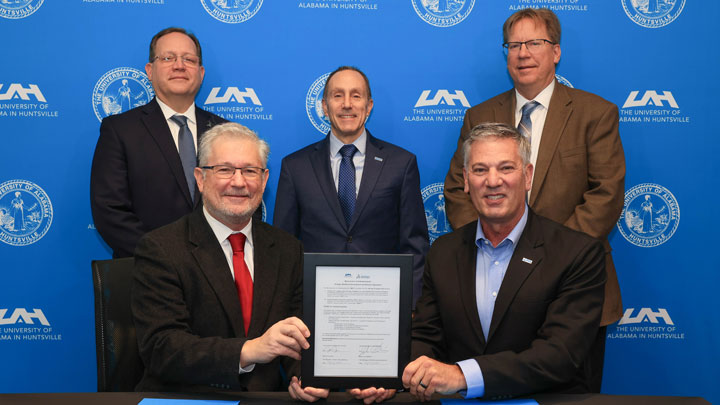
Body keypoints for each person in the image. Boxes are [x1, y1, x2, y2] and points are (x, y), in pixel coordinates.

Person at [353, 123, 604, 403]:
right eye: (480, 169)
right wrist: (396, 376)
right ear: (466, 179)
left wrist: (462, 376)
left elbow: (559, 355)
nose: (493, 181)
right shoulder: (444, 252)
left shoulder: (578, 253)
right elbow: (427, 337)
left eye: (506, 168)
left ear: (528, 176)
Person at [442, 8, 624, 390]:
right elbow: (459, 192)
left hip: (573, 292)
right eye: (514, 45)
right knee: (491, 388)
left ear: (556, 51)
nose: (523, 53)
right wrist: (495, 252)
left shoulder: (596, 113)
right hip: (491, 293)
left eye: (534, 43)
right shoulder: (479, 116)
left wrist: (548, 262)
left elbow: (605, 195)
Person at [131, 122, 308, 392]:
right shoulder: (161, 248)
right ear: (200, 178)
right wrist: (248, 350)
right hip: (188, 397)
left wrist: (304, 379)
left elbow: (297, 338)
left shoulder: (288, 249)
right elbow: (162, 348)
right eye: (224, 170)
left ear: (264, 180)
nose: (238, 182)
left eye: (250, 171)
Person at [273, 66, 429, 306]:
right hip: (314, 306)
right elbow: (284, 247)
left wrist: (410, 306)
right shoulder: (295, 166)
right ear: (324, 106)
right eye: (338, 95)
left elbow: (415, 245)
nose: (347, 104)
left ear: (369, 106)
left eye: (356, 95)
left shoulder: (401, 163)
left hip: (381, 305)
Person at [90, 27, 227, 258]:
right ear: (150, 71)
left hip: (214, 270)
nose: (179, 65)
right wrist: (164, 256)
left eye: (189, 59)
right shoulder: (120, 130)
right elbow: (109, 210)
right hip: (148, 272)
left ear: (201, 72)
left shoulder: (225, 132)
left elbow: (242, 202)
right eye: (168, 58)